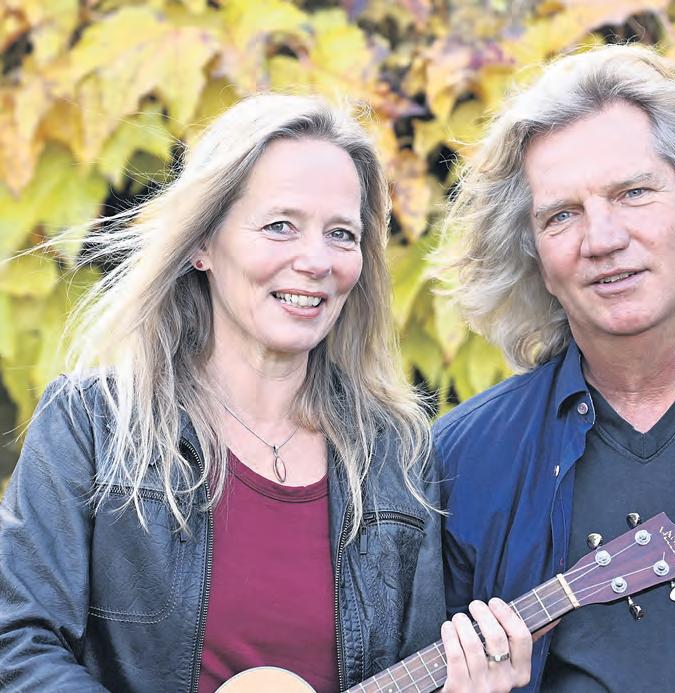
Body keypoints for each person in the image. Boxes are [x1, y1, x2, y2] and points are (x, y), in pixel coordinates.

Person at [0, 95, 531, 692]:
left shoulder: (394, 457)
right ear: (202, 243)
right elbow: (17, 644)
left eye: (341, 234)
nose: (316, 261)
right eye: (280, 226)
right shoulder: (92, 426)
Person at [432, 44, 675, 692]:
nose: (602, 239)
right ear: (537, 261)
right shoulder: (461, 463)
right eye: (562, 215)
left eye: (633, 193)